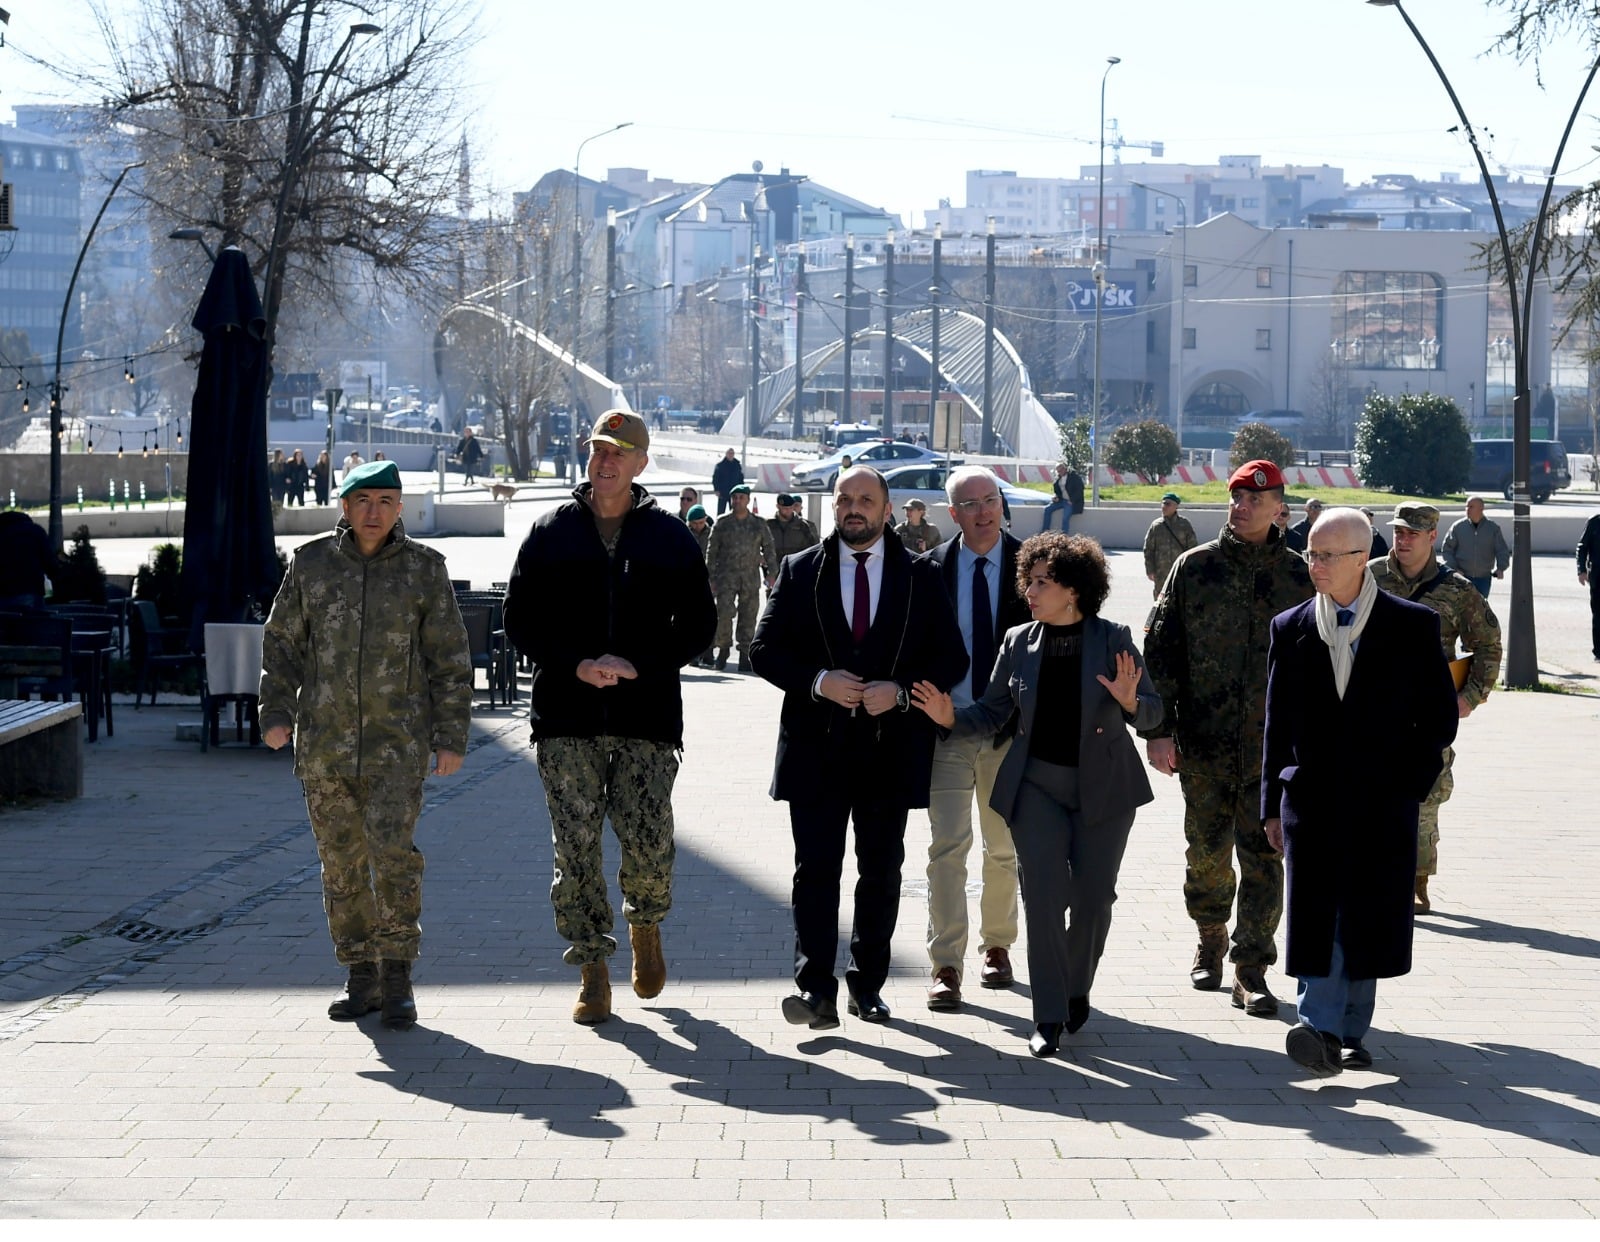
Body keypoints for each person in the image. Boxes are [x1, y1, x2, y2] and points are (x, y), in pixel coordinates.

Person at [502, 410, 715, 1025]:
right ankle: (592, 966)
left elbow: (699, 625)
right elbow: (520, 619)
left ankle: (645, 926)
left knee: (647, 840)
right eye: (599, 449)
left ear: (642, 464)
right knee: (575, 846)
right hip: (566, 715)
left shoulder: (670, 538)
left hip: (646, 716)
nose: (606, 461)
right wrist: (575, 664)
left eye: (619, 452)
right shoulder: (551, 532)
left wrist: (638, 664)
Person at [913, 532, 1163, 1055]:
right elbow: (991, 713)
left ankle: (1076, 988)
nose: (1029, 589)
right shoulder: (1018, 641)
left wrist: (1129, 701)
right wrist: (949, 717)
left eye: (1041, 582)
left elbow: (1157, 713)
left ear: (1072, 589)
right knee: (1043, 899)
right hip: (1035, 789)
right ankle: (1048, 1017)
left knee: (1094, 902)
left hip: (1104, 791)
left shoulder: (1114, 638)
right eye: (1029, 579)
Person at [750, 465, 967, 1031]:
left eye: (866, 499)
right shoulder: (799, 571)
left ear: (887, 509)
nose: (853, 508)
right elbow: (764, 650)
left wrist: (900, 693)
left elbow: (952, 658)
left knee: (881, 870)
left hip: (889, 750)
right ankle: (815, 989)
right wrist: (819, 681)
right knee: (815, 872)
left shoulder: (921, 575)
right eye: (844, 498)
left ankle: (867, 985)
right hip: (816, 751)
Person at [258, 459, 473, 1030]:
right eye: (363, 501)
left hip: (396, 747)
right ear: (345, 509)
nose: (373, 512)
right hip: (325, 747)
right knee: (341, 866)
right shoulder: (312, 566)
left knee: (394, 860)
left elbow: (450, 660)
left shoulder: (425, 571)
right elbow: (281, 643)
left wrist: (451, 736)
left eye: (385, 500)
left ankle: (397, 974)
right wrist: (275, 711)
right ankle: (360, 974)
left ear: (400, 508)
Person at [1263, 507, 1458, 1076]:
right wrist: (1272, 806)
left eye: (1325, 556)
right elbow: (1275, 723)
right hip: (1312, 801)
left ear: (1359, 559)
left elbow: (1438, 720)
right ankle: (1317, 1027)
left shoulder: (1412, 624)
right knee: (1319, 913)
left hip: (1382, 799)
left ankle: (1348, 1030)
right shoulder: (1291, 627)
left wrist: (1409, 785)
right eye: (1311, 555)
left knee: (1365, 915)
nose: (1314, 565)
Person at [1143, 458, 1313, 1016]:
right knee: (1207, 857)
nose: (1242, 508)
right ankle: (1210, 936)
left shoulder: (1300, 575)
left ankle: (1251, 968)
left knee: (1266, 857)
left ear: (1278, 508)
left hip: (1275, 751)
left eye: (1255, 501)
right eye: (1237, 498)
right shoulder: (1196, 568)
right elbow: (1162, 654)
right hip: (1204, 746)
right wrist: (1159, 731)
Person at [920, 466, 1032, 1011]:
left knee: (1003, 847)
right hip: (947, 728)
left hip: (1009, 731)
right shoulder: (929, 571)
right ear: (952, 514)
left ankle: (998, 947)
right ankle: (946, 963)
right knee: (947, 847)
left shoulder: (1033, 566)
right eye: (971, 503)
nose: (984, 511)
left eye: (991, 500)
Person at [1370, 503, 1502, 913]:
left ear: (1432, 537)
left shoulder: (1458, 590)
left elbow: (1488, 645)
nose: (1403, 539)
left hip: (1425, 714)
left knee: (1425, 797)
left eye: (1412, 533)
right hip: (1370, 709)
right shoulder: (1369, 576)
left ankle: (1416, 879)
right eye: (1398, 531)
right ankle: (1372, 873)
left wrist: (1470, 696)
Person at [706, 482, 777, 672]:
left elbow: (769, 548)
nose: (737, 501)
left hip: (750, 577)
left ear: (747, 500)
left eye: (741, 498)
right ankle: (723, 649)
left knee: (748, 615)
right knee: (724, 614)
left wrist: (772, 573)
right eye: (734, 498)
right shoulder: (722, 523)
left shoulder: (758, 523)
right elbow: (711, 552)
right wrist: (711, 578)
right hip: (726, 577)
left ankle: (745, 653)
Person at [1441, 496, 1510, 598]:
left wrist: (1501, 568)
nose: (1467, 509)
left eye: (1471, 507)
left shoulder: (1492, 528)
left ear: (1481, 509)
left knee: (1480, 610)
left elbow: (1501, 550)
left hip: (1484, 579)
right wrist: (1454, 568)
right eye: (1466, 506)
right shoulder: (1458, 527)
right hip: (1462, 577)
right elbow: (1447, 549)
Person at [1142, 491, 1198, 600]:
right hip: (1161, 572)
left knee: (1180, 599)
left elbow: (1193, 548)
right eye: (1163, 503)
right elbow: (1148, 549)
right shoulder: (1156, 526)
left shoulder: (1184, 524)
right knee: (1160, 601)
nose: (1164, 507)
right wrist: (1150, 569)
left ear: (1175, 506)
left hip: (1180, 572)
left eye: (1168, 504)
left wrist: (1191, 570)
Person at [0, 508, 58, 610]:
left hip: (3, 593)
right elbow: (49, 562)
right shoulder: (36, 531)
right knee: (32, 623)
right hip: (31, 590)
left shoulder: (2, 533)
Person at [684, 504, 716, 668]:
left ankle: (708, 652)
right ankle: (693, 655)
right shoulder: (683, 533)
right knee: (690, 619)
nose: (697, 526)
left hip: (709, 580)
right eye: (694, 523)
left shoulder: (713, 534)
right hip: (688, 581)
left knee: (709, 619)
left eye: (700, 522)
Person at [766, 492, 818, 575]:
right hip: (775, 571)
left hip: (797, 571)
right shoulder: (769, 525)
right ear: (778, 507)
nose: (788, 511)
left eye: (790, 508)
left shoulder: (803, 526)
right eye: (785, 508)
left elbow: (813, 548)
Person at [1580, 511, 1600, 661]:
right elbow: (1582, 547)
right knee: (1598, 615)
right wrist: (1581, 570)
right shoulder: (1594, 522)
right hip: (1598, 577)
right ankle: (1599, 651)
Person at [1041, 463, 1075, 533]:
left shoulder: (1073, 477)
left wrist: (1073, 500)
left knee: (1065, 517)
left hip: (1070, 501)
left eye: (1061, 470)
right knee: (1047, 509)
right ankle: (1045, 532)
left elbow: (1079, 490)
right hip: (1061, 500)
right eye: (1058, 471)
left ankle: (1064, 536)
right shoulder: (1058, 479)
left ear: (1065, 469)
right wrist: (1056, 497)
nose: (1060, 472)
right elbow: (1058, 492)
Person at [711, 447, 744, 516]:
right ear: (726, 454)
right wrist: (716, 489)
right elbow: (715, 478)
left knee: (735, 511)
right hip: (723, 492)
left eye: (732, 453)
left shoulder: (737, 465)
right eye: (729, 453)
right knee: (721, 512)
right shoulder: (720, 465)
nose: (731, 455)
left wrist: (742, 490)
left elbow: (740, 479)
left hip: (734, 493)